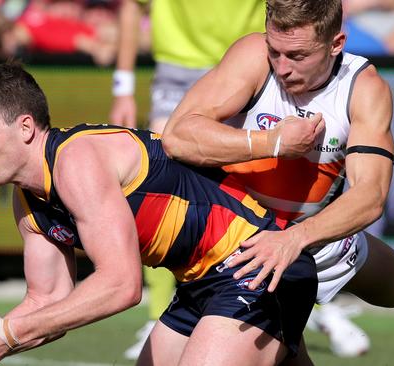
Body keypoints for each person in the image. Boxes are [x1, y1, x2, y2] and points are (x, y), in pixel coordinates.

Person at [161, 0, 394, 360]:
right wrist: (272, 143)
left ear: (336, 44)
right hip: (236, 235)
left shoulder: (364, 89)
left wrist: (295, 239)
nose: (283, 68)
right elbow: (178, 136)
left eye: (298, 56)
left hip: (311, 235)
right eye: (276, 52)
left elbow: (370, 195)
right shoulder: (253, 56)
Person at [0, 61, 318, 366]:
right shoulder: (28, 200)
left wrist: (7, 337)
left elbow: (121, 286)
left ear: (25, 128)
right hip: (200, 284)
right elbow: (48, 302)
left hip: (259, 263)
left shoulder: (75, 161)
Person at [111, 0, 370, 358]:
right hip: (181, 65)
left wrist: (283, 50)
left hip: (261, 53)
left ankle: (320, 308)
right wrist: (122, 84)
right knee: (170, 188)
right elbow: (131, 6)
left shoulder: (352, 80)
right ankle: (160, 311)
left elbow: (300, 12)